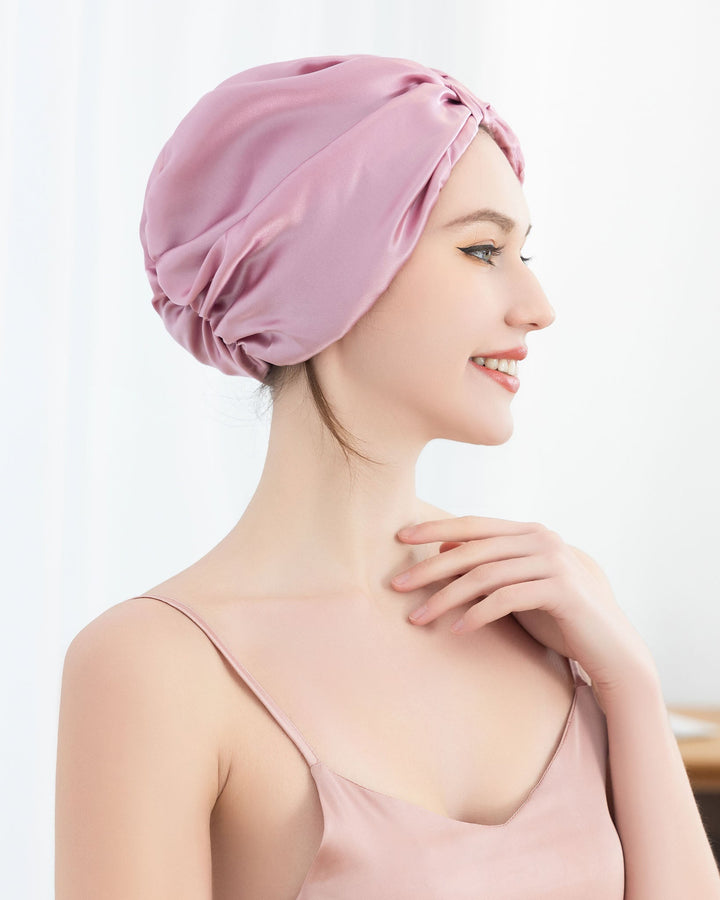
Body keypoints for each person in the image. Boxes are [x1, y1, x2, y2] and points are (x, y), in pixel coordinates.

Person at [55, 53, 720, 899]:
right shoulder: (156, 668)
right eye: (483, 249)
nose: (538, 304)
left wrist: (629, 679)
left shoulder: (552, 612)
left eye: (524, 252)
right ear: (324, 271)